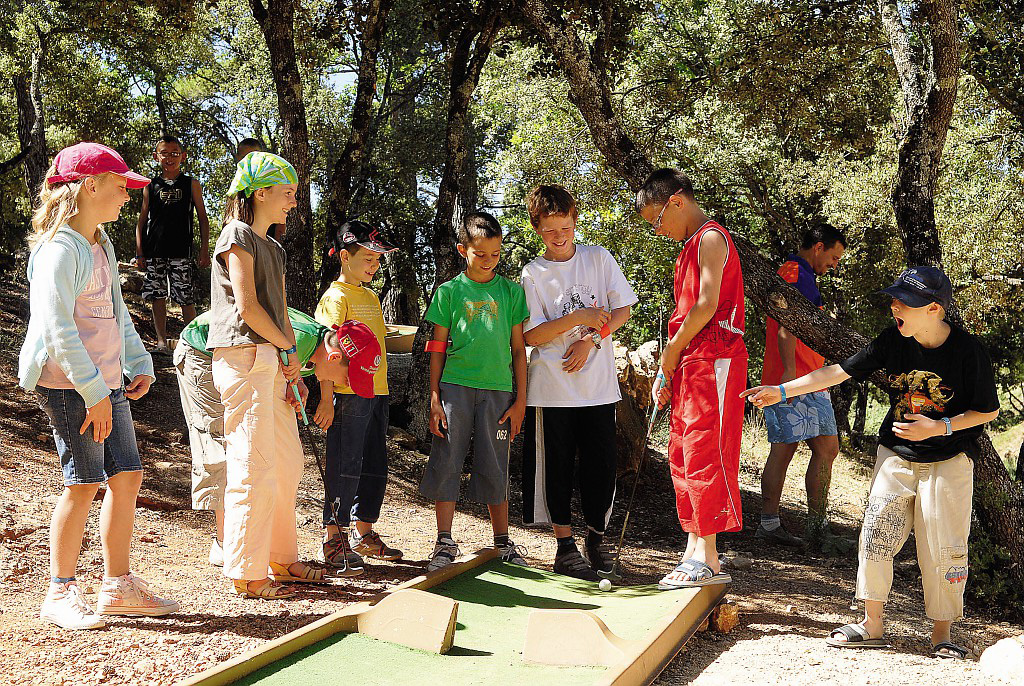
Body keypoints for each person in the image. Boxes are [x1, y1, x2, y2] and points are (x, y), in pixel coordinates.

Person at [743, 266, 1000, 659]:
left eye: (904, 302)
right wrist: (781, 390)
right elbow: (838, 371)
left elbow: (987, 411)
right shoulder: (892, 341)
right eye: (893, 299)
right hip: (895, 455)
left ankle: (941, 635)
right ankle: (872, 624)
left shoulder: (969, 351)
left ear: (934, 309)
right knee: (876, 535)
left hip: (950, 460)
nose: (894, 306)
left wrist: (940, 426)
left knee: (944, 547)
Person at [19, 142, 178, 629]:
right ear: (90, 186)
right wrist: (93, 392)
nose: (127, 195)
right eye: (120, 186)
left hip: (104, 383)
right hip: (69, 385)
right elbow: (57, 329)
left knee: (126, 475)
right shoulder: (58, 249)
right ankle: (60, 592)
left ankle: (117, 585)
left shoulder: (101, 243)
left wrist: (140, 362)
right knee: (84, 481)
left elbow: (115, 314)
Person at [208, 151, 328, 598]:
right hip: (244, 358)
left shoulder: (273, 246)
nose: (293, 202)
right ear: (260, 192)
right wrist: (285, 346)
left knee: (286, 462)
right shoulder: (235, 235)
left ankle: (280, 556)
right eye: (287, 193)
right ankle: (245, 569)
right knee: (253, 464)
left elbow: (277, 310)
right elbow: (248, 308)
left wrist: (291, 357)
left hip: (273, 362)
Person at [173, 307, 370, 567]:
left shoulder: (314, 348)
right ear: (334, 358)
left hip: (230, 358)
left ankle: (250, 545)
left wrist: (294, 382)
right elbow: (260, 368)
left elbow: (280, 374)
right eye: (347, 377)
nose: (345, 384)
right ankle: (224, 543)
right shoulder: (301, 340)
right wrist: (289, 383)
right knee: (221, 444)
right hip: (202, 353)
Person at [635, 168, 746, 589]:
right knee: (683, 452)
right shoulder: (688, 247)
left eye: (658, 220)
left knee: (706, 450)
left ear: (677, 201)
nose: (658, 230)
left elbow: (706, 304)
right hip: (691, 363)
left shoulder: (712, 237)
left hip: (715, 358)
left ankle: (709, 556)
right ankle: (693, 551)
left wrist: (671, 349)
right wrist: (673, 365)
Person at [520, 184, 638, 582]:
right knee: (556, 469)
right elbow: (532, 336)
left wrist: (592, 340)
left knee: (601, 467)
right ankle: (565, 548)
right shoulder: (532, 273)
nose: (560, 236)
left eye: (566, 226)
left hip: (599, 387)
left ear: (575, 220)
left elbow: (621, 309)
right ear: (537, 228)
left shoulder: (598, 258)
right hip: (552, 389)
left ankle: (597, 540)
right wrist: (579, 317)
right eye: (550, 230)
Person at [421, 212, 531, 571]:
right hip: (454, 388)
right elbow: (437, 348)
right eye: (480, 254)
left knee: (496, 463)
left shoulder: (511, 292)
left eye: (496, 254)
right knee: (447, 458)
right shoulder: (449, 292)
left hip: (499, 391)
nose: (489, 261)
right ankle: (444, 541)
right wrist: (435, 397)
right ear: (462, 250)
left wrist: (521, 401)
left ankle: (502, 542)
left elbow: (518, 350)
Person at [314, 220, 403, 571]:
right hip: (346, 394)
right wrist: (325, 398)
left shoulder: (370, 295)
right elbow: (326, 349)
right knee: (345, 465)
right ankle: (334, 536)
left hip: (376, 390)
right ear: (344, 257)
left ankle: (365, 533)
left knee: (374, 465)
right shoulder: (335, 298)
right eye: (368, 257)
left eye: (378, 259)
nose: (374, 265)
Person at [758, 224, 847, 549]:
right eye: (834, 256)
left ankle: (792, 525)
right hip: (796, 379)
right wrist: (791, 375)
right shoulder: (797, 271)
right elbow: (786, 322)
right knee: (817, 448)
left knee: (801, 448)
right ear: (819, 246)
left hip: (802, 377)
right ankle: (809, 528)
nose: (834, 264)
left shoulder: (798, 272)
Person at [136, 135, 211, 352]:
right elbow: (141, 221)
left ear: (183, 157)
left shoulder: (191, 184)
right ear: (156, 157)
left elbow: (202, 218)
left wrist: (204, 250)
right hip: (155, 252)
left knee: (185, 297)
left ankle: (190, 345)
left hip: (181, 252)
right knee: (157, 296)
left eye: (175, 153)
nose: (170, 158)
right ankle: (161, 342)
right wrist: (141, 253)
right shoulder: (150, 186)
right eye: (165, 153)